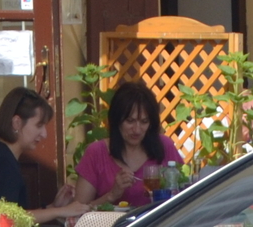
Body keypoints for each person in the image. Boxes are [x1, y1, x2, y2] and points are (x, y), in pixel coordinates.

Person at [0, 87, 76, 224]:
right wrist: (61, 211)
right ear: (17, 122)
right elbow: (6, 219)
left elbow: (16, 214)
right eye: (39, 125)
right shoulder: (2, 162)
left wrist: (53, 207)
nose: (44, 134)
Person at [69, 81, 183, 214]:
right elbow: (76, 213)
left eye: (144, 122)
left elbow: (184, 197)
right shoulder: (96, 153)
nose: (137, 129)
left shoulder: (165, 146)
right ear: (116, 120)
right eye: (130, 121)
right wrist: (112, 195)